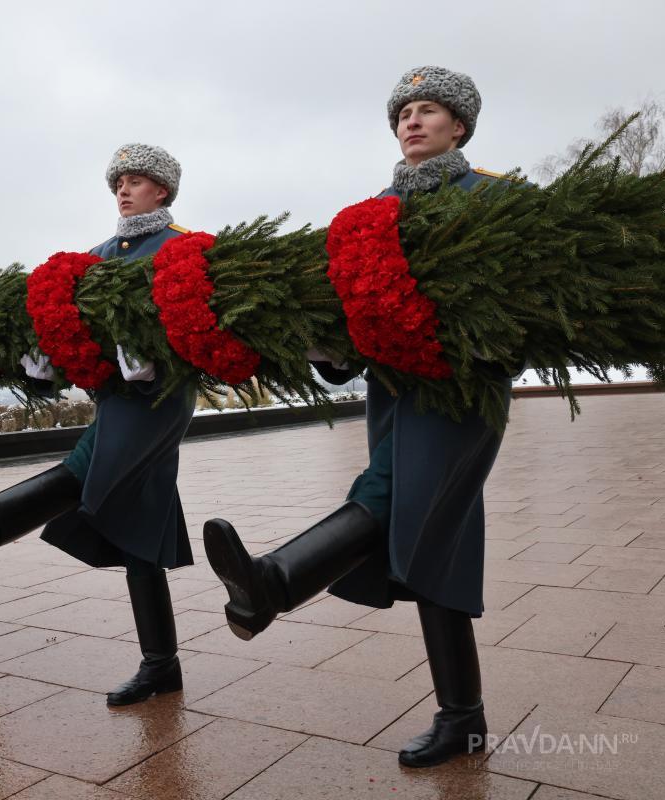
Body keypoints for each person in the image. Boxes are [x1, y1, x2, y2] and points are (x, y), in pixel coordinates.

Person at [204, 66, 519, 768]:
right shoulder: (366, 214)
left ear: (459, 126)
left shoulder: (496, 198)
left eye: (428, 110)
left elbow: (524, 306)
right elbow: (345, 329)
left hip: (462, 390)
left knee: (411, 511)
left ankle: (274, 583)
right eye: (403, 113)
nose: (412, 121)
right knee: (421, 526)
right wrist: (319, 334)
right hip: (392, 392)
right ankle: (461, 716)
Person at [0, 144, 195, 706]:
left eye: (136, 180)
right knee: (140, 522)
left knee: (94, 467)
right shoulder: (98, 254)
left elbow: (199, 322)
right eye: (118, 182)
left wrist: (158, 354)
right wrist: (51, 353)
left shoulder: (183, 249)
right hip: (112, 395)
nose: (124, 190)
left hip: (158, 397)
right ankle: (161, 664)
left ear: (163, 191)